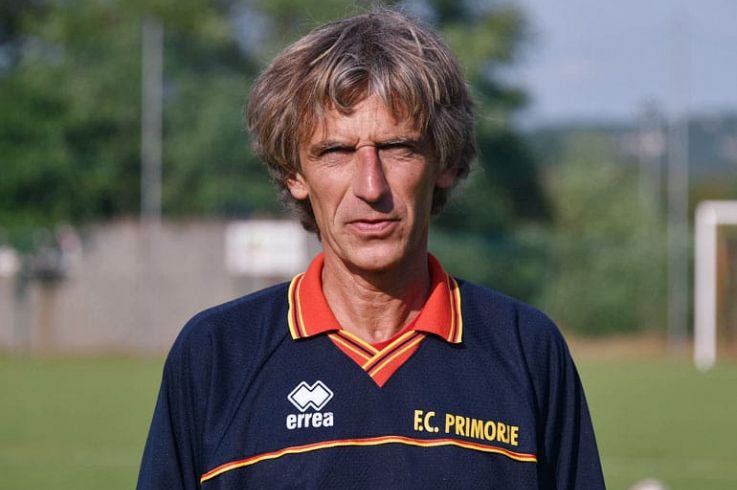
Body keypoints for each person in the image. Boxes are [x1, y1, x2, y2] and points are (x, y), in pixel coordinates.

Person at [138, 9, 605, 489]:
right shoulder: (216, 355)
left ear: (444, 162)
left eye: (398, 147)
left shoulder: (526, 349)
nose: (370, 186)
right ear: (294, 173)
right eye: (336, 152)